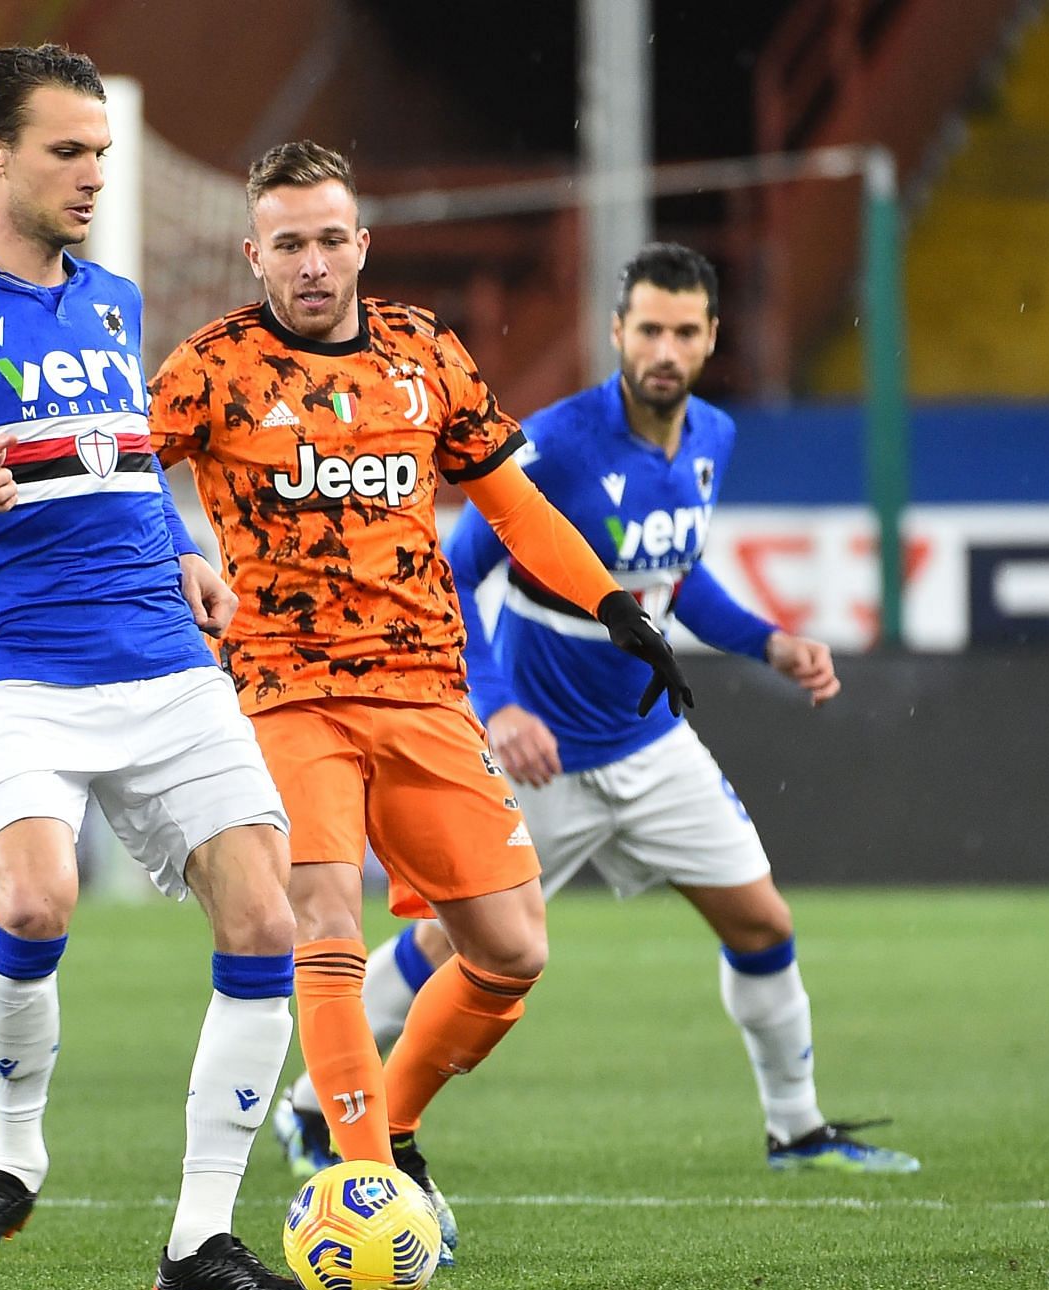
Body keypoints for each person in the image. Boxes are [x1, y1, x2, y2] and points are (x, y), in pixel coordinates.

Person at [0, 44, 304, 1290]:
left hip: (160, 655)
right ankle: (13, 1157)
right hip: (18, 669)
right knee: (32, 905)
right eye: (67, 152)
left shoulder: (114, 301)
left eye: (100, 154)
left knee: (266, 921)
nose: (93, 175)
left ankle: (199, 1236)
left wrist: (189, 549)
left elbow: (126, 457)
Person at [148, 141, 693, 1266]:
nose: (311, 263)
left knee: (510, 951)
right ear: (255, 253)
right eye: (287, 244)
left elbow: (514, 503)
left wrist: (614, 603)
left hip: (426, 693)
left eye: (329, 239)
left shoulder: (424, 351)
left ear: (363, 243)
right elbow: (110, 485)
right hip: (287, 692)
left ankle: (384, 1122)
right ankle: (363, 1177)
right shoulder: (208, 367)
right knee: (325, 920)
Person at [276, 243, 919, 1177]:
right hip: (542, 760)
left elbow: (670, 581)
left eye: (685, 331)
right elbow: (456, 572)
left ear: (709, 341)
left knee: (763, 924)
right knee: (441, 945)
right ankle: (311, 1105)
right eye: (648, 327)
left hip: (654, 745)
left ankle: (795, 1130)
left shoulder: (713, 440)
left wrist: (768, 642)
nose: (665, 347)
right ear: (617, 332)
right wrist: (494, 708)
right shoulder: (558, 442)